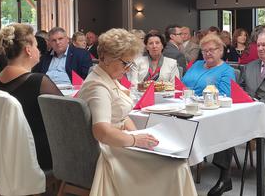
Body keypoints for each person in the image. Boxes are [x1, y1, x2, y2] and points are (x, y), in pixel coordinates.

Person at [78, 29, 197, 195]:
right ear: (105, 58)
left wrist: (139, 136)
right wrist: (135, 140)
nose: (127, 69)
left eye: (130, 64)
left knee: (175, 160)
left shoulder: (108, 78)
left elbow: (121, 115)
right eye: (125, 63)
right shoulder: (98, 87)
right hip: (109, 150)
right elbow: (102, 132)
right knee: (176, 166)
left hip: (118, 142)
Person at [209, 31, 265, 196]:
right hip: (249, 110)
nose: (260, 48)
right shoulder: (250, 66)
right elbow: (240, 88)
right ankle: (224, 178)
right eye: (258, 45)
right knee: (225, 124)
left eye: (264, 45)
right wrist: (246, 98)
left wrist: (259, 102)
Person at [0, 23, 62, 170]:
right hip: (35, 153)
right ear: (28, 50)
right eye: (36, 46)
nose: (39, 50)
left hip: (7, 149)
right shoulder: (39, 81)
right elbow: (67, 116)